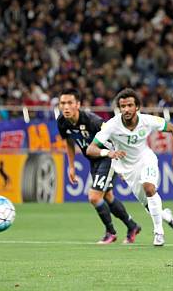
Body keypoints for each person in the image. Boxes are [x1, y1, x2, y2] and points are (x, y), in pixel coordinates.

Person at [87, 88, 173, 246]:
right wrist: (107, 153)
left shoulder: (147, 120)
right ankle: (166, 217)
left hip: (146, 159)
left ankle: (159, 232)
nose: (126, 109)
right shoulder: (112, 125)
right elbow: (91, 149)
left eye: (130, 105)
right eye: (123, 106)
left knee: (149, 188)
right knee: (149, 205)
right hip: (127, 169)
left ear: (137, 107)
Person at [57, 88, 141, 244]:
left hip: (108, 158)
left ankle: (111, 232)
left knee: (94, 197)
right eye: (63, 103)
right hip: (94, 160)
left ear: (78, 104)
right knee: (108, 196)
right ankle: (132, 226)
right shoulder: (62, 121)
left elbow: (115, 139)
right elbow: (68, 142)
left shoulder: (93, 121)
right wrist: (71, 166)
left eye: (70, 103)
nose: (66, 107)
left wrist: (122, 165)